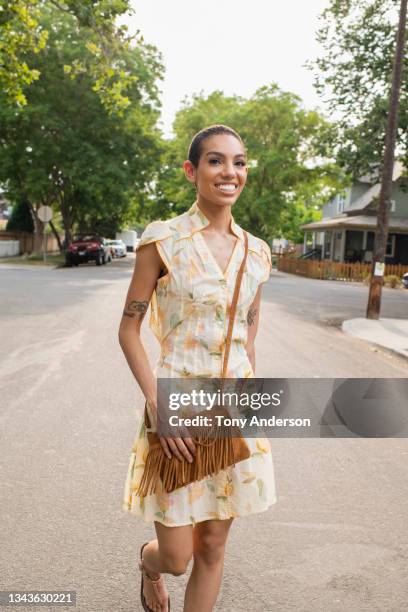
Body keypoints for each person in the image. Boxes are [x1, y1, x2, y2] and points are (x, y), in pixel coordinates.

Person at [118, 125, 277, 612]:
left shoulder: (257, 252)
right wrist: (159, 405)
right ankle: (149, 567)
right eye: (216, 161)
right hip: (176, 412)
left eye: (239, 162)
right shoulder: (163, 241)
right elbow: (128, 330)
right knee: (178, 556)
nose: (230, 172)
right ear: (192, 171)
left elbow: (248, 333)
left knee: (212, 547)